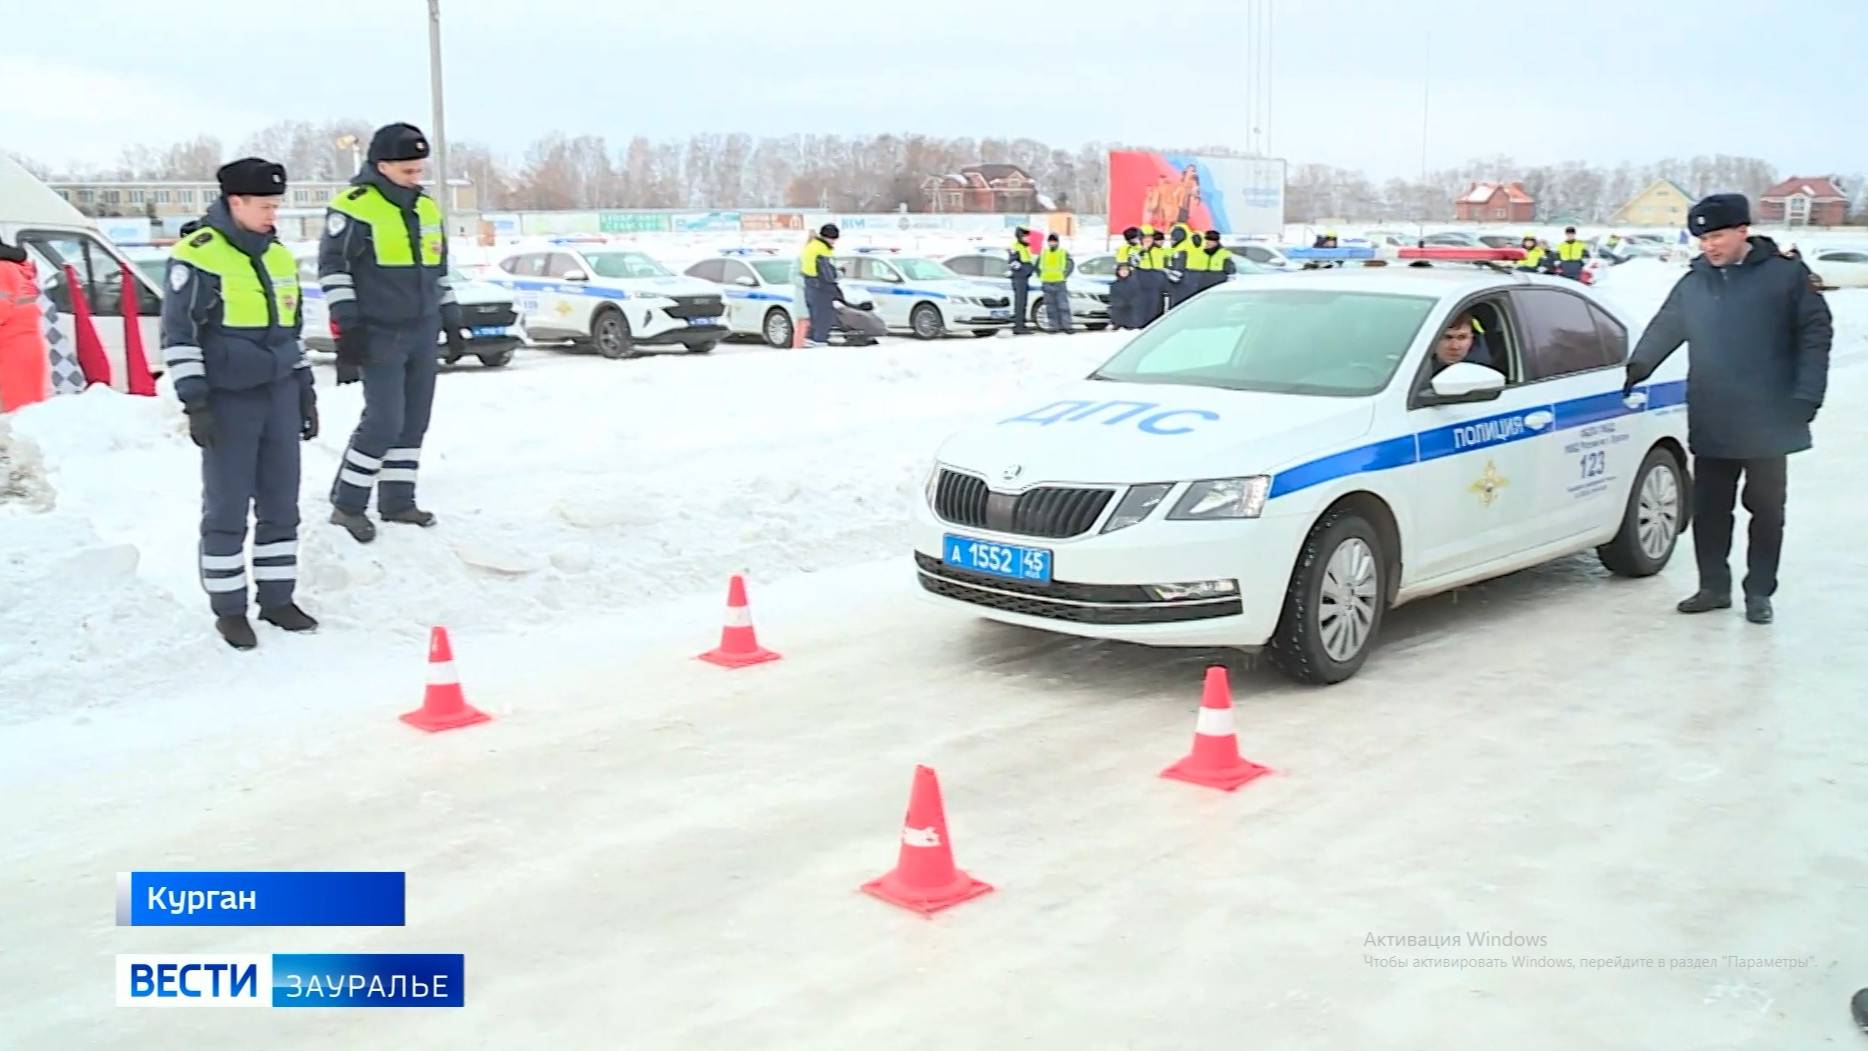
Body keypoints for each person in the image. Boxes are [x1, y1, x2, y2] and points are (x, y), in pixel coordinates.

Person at [1623, 193, 1831, 625]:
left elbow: (1816, 335)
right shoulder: (1695, 281)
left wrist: (1807, 395)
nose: (1709, 247)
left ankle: (1759, 592)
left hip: (1770, 415)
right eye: (1701, 239)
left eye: (1716, 236)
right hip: (1714, 410)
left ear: (1743, 231)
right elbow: (1666, 326)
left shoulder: (1786, 277)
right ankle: (1713, 586)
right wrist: (1637, 367)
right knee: (1711, 507)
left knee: (1766, 508)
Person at [161, 158, 318, 649]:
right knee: (227, 509)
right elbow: (179, 335)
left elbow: (292, 330)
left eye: (277, 205)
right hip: (228, 400)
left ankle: (276, 600)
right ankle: (229, 609)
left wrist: (306, 388)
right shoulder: (198, 256)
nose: (274, 214)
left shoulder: (278, 256)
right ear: (236, 202)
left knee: (280, 504)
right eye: (266, 205)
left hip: (279, 395)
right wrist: (196, 403)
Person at [320, 122, 464, 543]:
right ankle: (348, 504)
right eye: (408, 172)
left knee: (414, 421)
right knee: (384, 420)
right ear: (382, 166)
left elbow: (438, 269)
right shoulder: (354, 206)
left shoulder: (426, 208)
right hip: (379, 331)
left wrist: (451, 316)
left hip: (423, 328)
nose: (416, 178)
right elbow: (333, 268)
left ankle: (398, 500)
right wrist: (348, 326)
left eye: (419, 170)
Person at [0, 236, 49, 413]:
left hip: (11, 350)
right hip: (19, 346)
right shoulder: (12, 266)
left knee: (15, 414)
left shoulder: (2, 268)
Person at [797, 224, 840, 348]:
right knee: (823, 317)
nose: (834, 242)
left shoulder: (811, 246)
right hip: (821, 287)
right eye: (833, 239)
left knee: (815, 316)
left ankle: (811, 339)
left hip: (811, 287)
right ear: (828, 237)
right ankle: (820, 341)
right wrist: (833, 279)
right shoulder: (821, 249)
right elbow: (825, 271)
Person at [1428, 312, 1498, 374]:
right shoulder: (1418, 364)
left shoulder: (1482, 373)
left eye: (1462, 337)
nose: (1455, 346)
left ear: (1472, 339)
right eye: (1447, 337)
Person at [1037, 233, 1073, 333]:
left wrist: (1064, 275)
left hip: (1059, 282)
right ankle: (1054, 326)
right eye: (1050, 241)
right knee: (1050, 307)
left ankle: (1067, 326)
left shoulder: (1062, 252)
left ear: (1057, 242)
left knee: (1063, 306)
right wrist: (1041, 277)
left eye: (1054, 241)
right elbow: (1038, 266)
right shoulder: (1044, 252)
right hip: (1047, 283)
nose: (1052, 243)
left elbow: (1070, 265)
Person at [1007, 226, 1036, 335]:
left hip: (1024, 278)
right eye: (1025, 236)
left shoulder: (1027, 247)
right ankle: (1018, 326)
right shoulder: (1015, 247)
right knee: (1019, 303)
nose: (1027, 238)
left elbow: (1030, 261)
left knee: (1023, 303)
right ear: (1019, 236)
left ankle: (1022, 324)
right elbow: (1013, 263)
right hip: (1019, 278)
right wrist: (1024, 270)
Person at [1107, 261, 1143, 330]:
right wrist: (1119, 303)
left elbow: (1138, 296)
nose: (1124, 272)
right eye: (1122, 270)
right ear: (1118, 272)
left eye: (1126, 270)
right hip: (1119, 315)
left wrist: (1132, 303)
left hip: (1131, 315)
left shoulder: (1135, 284)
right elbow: (1112, 298)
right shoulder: (1114, 285)